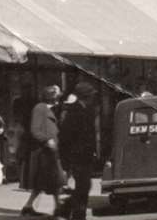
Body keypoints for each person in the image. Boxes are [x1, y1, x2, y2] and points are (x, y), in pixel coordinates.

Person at [58, 82, 99, 220]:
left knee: (85, 185)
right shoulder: (75, 112)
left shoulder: (85, 109)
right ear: (85, 96)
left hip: (85, 156)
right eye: (91, 96)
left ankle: (69, 208)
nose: (93, 98)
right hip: (78, 156)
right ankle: (77, 215)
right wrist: (66, 160)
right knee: (84, 186)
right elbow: (65, 137)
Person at [20, 85, 62, 218]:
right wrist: (47, 140)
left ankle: (29, 206)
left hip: (50, 152)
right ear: (51, 96)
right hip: (43, 152)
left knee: (46, 182)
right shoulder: (40, 108)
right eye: (56, 96)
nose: (58, 98)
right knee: (53, 180)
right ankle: (58, 207)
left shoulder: (50, 109)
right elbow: (35, 130)